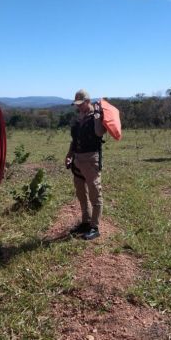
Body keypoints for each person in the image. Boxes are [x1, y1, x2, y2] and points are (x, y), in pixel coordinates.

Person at [65, 89, 106, 240]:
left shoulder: (97, 116)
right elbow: (74, 140)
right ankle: (85, 222)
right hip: (77, 159)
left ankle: (95, 227)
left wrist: (96, 117)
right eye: (77, 104)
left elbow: (99, 133)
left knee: (95, 192)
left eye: (81, 104)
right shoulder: (77, 119)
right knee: (81, 193)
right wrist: (69, 154)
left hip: (91, 159)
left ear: (88, 102)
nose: (78, 107)